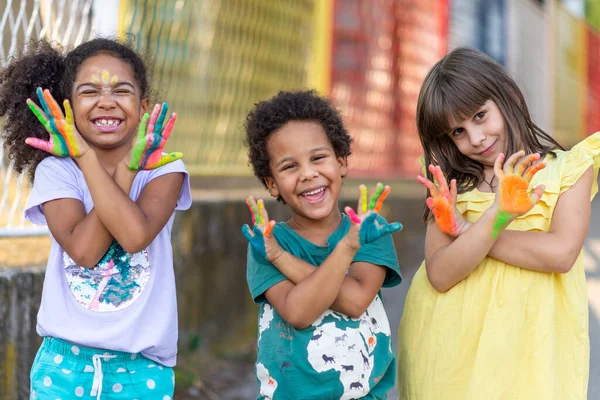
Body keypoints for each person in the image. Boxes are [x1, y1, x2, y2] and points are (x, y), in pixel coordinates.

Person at [398, 47, 599, 399]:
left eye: (479, 116)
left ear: (506, 97)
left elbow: (561, 253)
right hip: (450, 353)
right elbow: (441, 274)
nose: (475, 138)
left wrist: (469, 233)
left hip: (533, 350)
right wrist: (497, 216)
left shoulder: (568, 170)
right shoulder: (452, 184)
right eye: (457, 132)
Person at [0, 38, 191, 399]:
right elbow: (85, 252)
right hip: (63, 366)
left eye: (121, 90)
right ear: (68, 107)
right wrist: (90, 159)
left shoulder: (165, 171)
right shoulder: (57, 172)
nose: (107, 100)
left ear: (143, 105)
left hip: (143, 368)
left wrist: (129, 166)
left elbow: (134, 236)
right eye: (90, 91)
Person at [242, 89, 403, 399]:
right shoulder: (266, 242)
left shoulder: (370, 232)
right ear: (271, 183)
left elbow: (355, 301)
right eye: (290, 167)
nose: (308, 174)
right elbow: (298, 312)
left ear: (341, 161)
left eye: (318, 158)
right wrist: (274, 253)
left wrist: (283, 259)